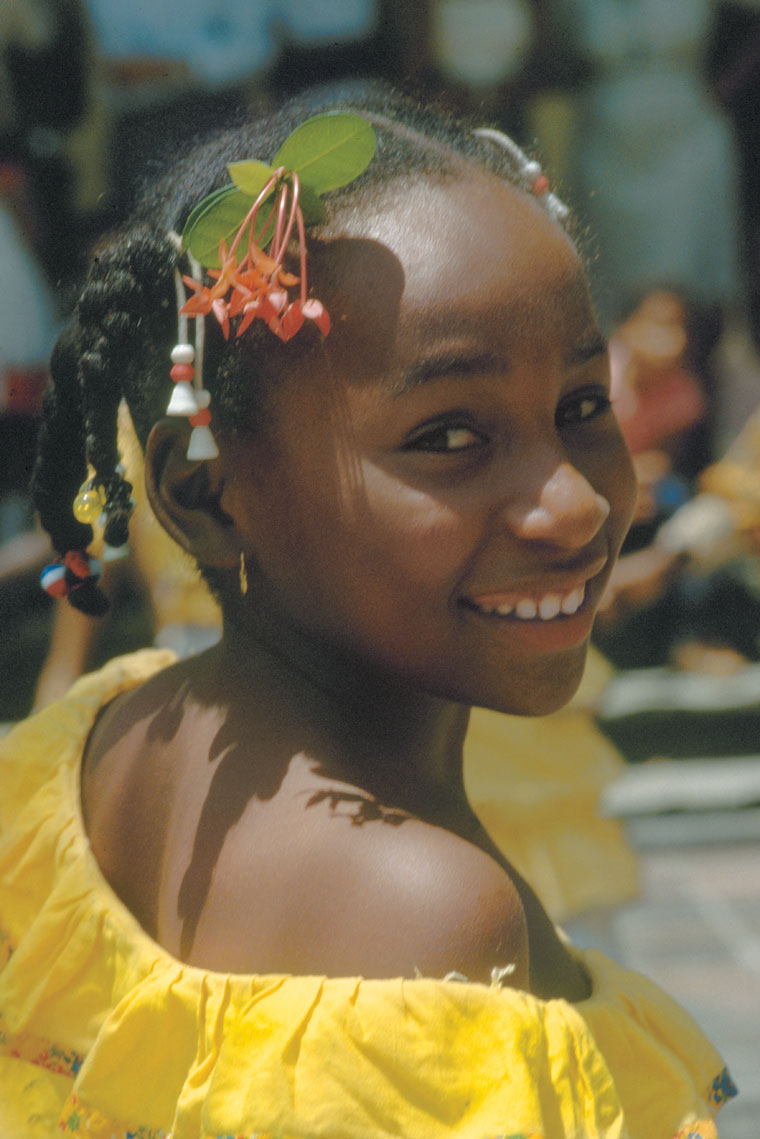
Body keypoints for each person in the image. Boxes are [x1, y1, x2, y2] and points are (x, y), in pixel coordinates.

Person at [0, 88, 737, 1137]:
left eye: (582, 405)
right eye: (448, 436)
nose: (573, 504)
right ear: (206, 494)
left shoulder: (102, 736)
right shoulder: (428, 918)